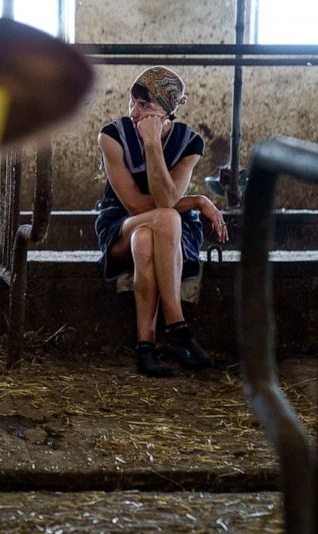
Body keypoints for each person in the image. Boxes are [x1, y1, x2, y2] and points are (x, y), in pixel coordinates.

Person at [94, 66, 228, 377]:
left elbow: (167, 201)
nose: (135, 113)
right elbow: (136, 205)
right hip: (120, 223)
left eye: (146, 106)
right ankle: (178, 329)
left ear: (168, 113)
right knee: (161, 219)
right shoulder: (112, 136)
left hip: (170, 230)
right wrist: (197, 200)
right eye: (132, 102)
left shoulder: (189, 142)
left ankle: (146, 346)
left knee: (149, 236)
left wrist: (154, 145)